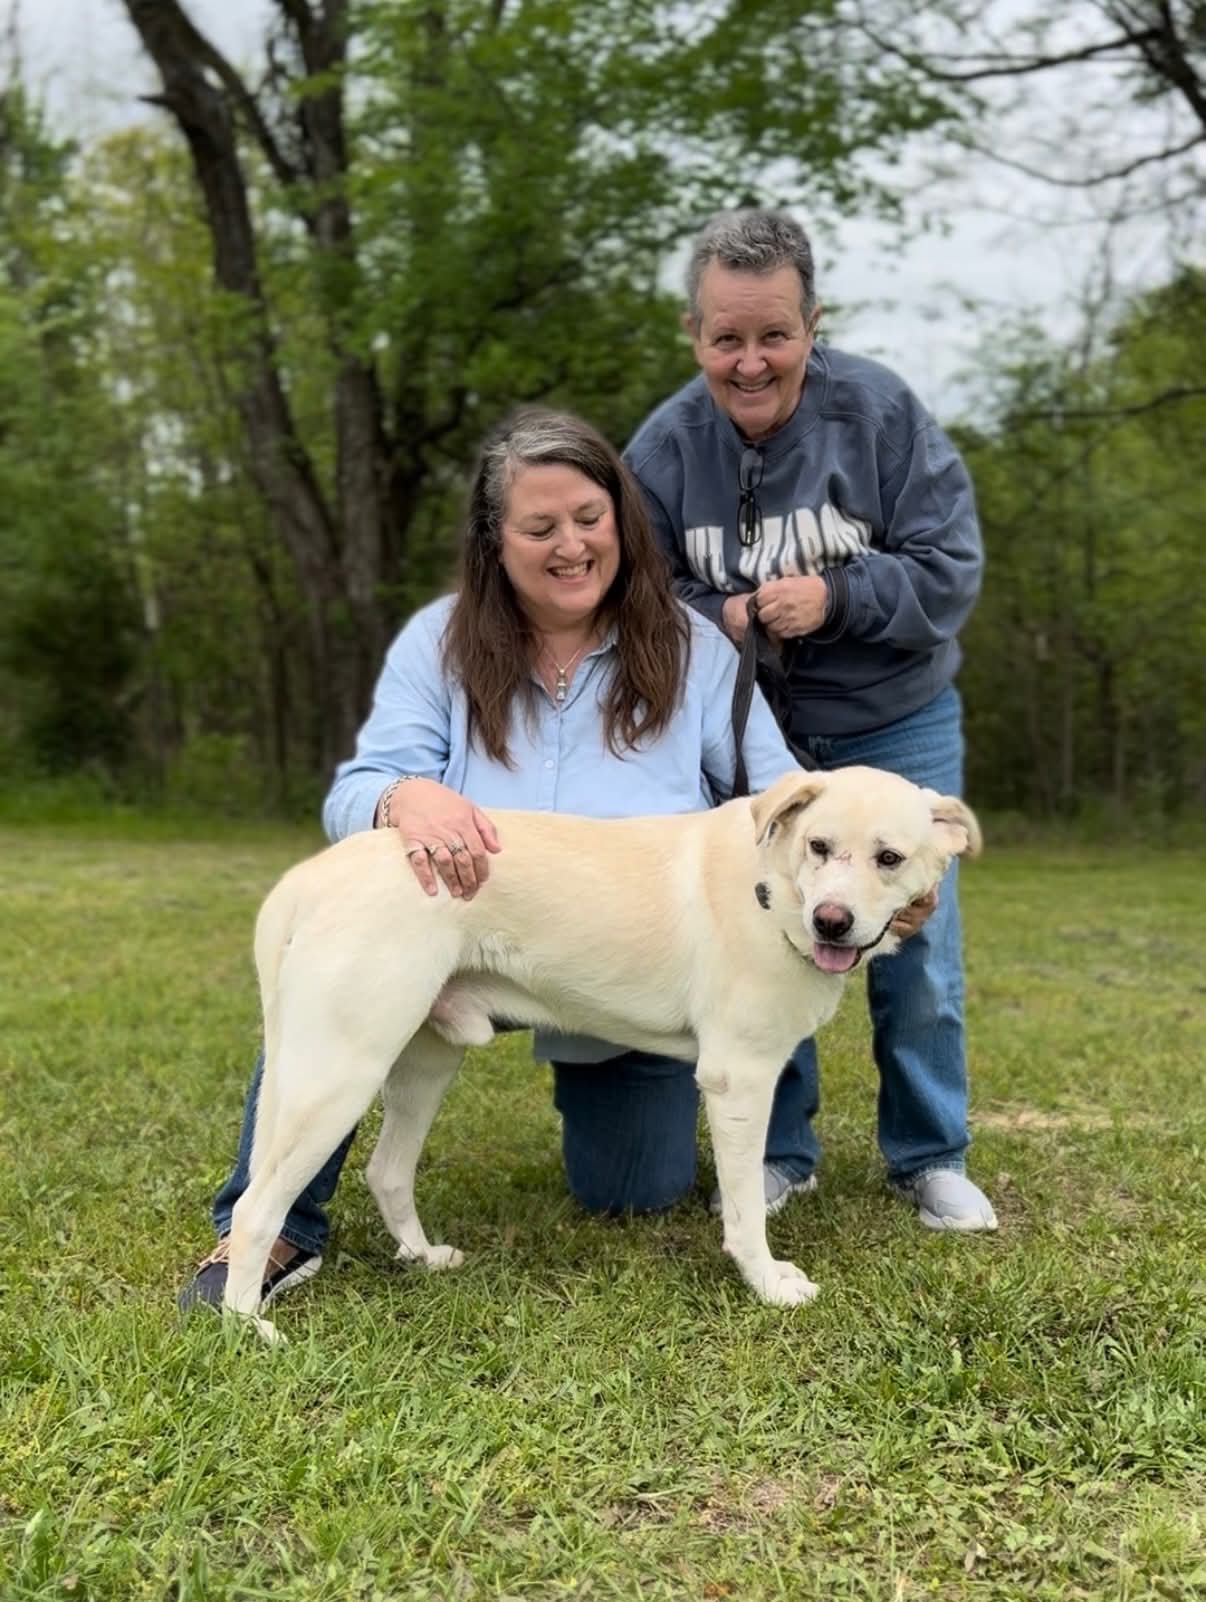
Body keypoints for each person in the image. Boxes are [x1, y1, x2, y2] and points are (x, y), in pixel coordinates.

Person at [179, 409, 931, 1312]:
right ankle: (267, 1232)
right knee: (336, 1011)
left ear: (621, 519)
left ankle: (418, 1182)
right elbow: (356, 794)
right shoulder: (441, 640)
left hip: (619, 972)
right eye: (539, 528)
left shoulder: (691, 649)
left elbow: (793, 801)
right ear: (496, 542)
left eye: (588, 518)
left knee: (634, 1186)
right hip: (453, 913)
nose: (570, 545)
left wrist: (882, 877)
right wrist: (397, 797)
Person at [622, 207, 996, 1233]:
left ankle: (930, 1156)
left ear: (812, 324)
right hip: (751, 738)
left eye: (774, 335)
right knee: (766, 939)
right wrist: (723, 615)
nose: (750, 362)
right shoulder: (659, 448)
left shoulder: (880, 413)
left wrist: (839, 598)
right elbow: (633, 604)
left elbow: (949, 570)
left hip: (893, 724)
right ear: (695, 335)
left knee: (915, 947)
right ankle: (780, 1155)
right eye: (726, 339)